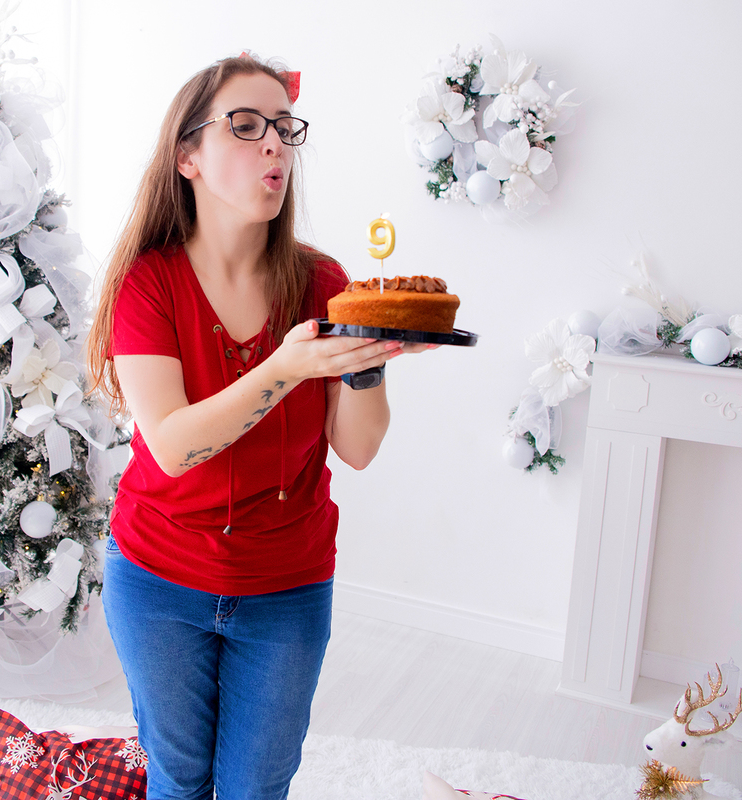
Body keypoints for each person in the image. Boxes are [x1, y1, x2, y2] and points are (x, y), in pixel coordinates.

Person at [86, 52, 433, 800]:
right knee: (179, 780)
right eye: (246, 126)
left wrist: (367, 364)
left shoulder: (325, 282)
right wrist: (287, 366)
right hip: (158, 580)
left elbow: (360, 448)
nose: (274, 144)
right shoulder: (148, 283)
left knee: (257, 787)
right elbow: (174, 448)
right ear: (189, 157)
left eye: (284, 126)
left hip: (287, 585)